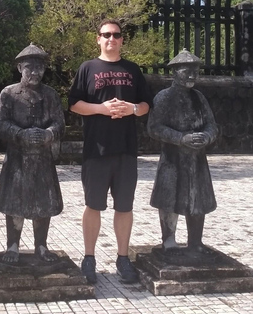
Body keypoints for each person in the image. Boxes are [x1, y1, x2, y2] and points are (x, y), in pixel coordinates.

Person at [68, 19, 152, 284]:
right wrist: (101, 108)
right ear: (98, 38)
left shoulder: (133, 70)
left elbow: (146, 104)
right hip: (96, 149)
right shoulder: (87, 68)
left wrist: (133, 109)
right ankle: (89, 258)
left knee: (124, 206)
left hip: (126, 149)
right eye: (106, 35)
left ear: (122, 40)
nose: (111, 39)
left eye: (116, 35)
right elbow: (74, 104)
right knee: (93, 204)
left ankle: (123, 258)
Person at [0, 43, 65, 263]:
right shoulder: (9, 94)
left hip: (43, 158)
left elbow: (59, 123)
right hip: (17, 159)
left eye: (40, 68)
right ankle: (12, 246)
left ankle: (41, 246)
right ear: (19, 68)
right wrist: (19, 134)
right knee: (15, 202)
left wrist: (49, 134)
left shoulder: (50, 95)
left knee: (43, 202)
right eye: (29, 68)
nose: (35, 72)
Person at [147, 50, 218, 254]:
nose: (192, 75)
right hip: (173, 157)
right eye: (187, 71)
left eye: (195, 71)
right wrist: (180, 138)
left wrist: (206, 136)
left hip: (196, 158)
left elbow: (212, 125)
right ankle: (168, 239)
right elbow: (154, 127)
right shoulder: (164, 98)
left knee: (198, 199)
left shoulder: (199, 98)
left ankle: (195, 241)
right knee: (169, 197)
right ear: (175, 72)